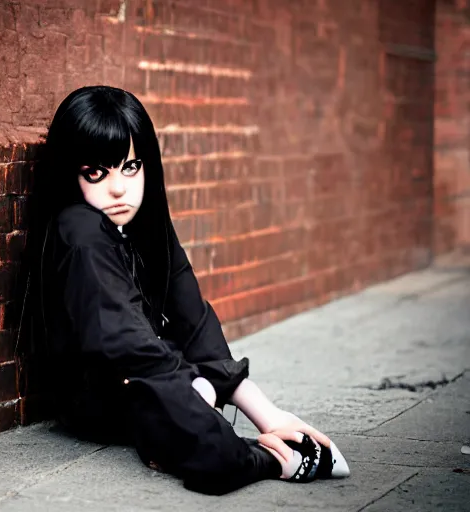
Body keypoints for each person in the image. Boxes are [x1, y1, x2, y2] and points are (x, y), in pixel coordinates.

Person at [25, 85, 350, 495]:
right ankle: (268, 457)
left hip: (151, 370)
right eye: (97, 172)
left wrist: (270, 416)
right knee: (214, 447)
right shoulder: (81, 230)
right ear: (71, 174)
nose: (119, 188)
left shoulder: (144, 221)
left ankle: (214, 433)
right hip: (102, 398)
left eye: (130, 167)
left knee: (200, 391)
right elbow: (130, 346)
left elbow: (194, 321)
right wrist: (204, 404)